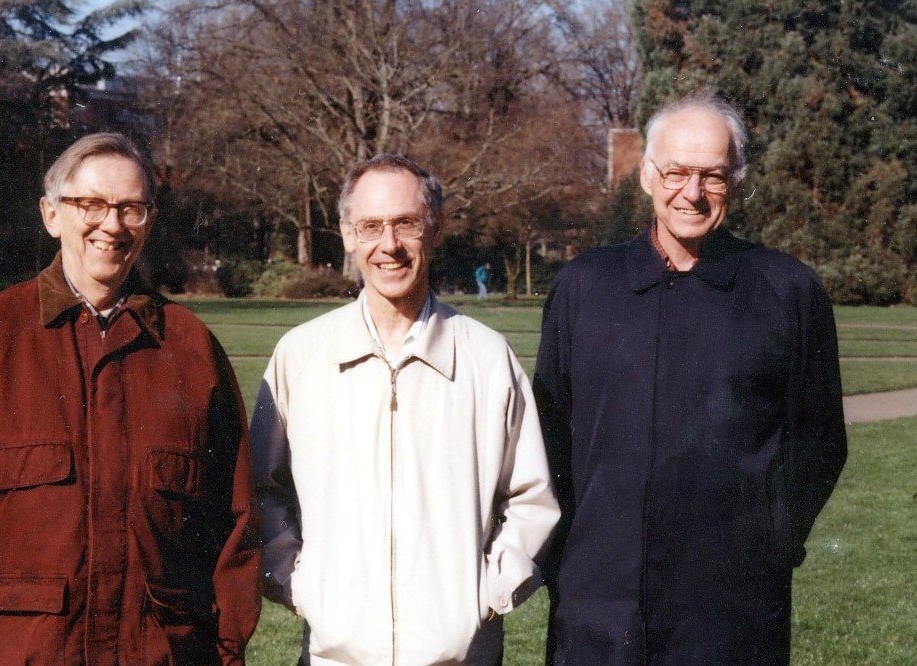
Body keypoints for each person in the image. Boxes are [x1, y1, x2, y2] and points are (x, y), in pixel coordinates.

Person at [0, 133, 261, 666]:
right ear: (51, 215)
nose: (111, 225)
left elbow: (233, 522)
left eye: (131, 209)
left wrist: (227, 653)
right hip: (21, 653)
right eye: (91, 204)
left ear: (149, 221)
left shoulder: (191, 350)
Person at [534, 90, 848, 664]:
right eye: (676, 172)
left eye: (713, 176)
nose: (693, 193)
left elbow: (820, 443)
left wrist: (769, 540)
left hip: (732, 606)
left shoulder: (787, 290)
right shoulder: (584, 287)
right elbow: (548, 436)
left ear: (737, 181)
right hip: (601, 600)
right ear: (648, 176)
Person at [251, 154, 559, 665]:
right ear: (348, 235)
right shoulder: (301, 355)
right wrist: (297, 582)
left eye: (406, 224)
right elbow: (261, 489)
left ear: (434, 232)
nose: (388, 245)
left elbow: (531, 497)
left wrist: (489, 591)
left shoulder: (486, 357)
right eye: (370, 226)